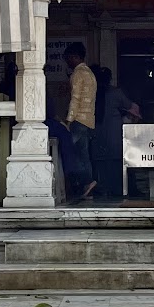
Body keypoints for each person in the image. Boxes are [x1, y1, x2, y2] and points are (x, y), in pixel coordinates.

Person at [90, 66, 141, 199]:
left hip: (96, 133)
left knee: (102, 165)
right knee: (119, 162)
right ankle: (123, 190)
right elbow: (132, 108)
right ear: (110, 79)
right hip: (114, 134)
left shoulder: (91, 93)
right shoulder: (116, 93)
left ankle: (103, 190)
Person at [62, 42, 97, 202]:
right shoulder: (89, 73)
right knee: (84, 155)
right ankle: (87, 186)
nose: (67, 62)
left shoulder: (77, 74)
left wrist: (69, 120)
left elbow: (75, 99)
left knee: (75, 155)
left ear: (75, 57)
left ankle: (85, 183)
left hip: (78, 120)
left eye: (68, 58)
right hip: (89, 120)